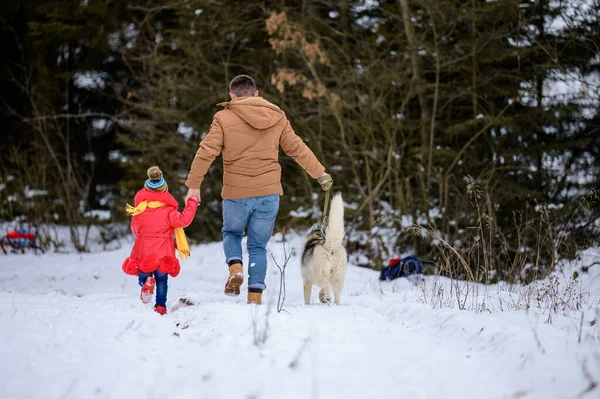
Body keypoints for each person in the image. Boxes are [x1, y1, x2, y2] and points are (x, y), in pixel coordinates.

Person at [185, 74, 333, 305]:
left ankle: (235, 267)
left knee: (232, 233)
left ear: (232, 96)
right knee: (258, 246)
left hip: (236, 194)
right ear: (256, 94)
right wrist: (320, 174)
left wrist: (194, 185)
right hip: (268, 195)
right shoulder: (277, 116)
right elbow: (297, 148)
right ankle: (254, 297)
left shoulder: (223, 117)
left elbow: (206, 151)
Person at [122, 166, 199, 315]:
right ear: (165, 191)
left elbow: (135, 230)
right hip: (163, 251)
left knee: (143, 272)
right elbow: (184, 220)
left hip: (144, 250)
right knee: (162, 280)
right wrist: (193, 202)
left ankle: (146, 282)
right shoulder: (169, 211)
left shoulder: (139, 210)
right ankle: (161, 307)